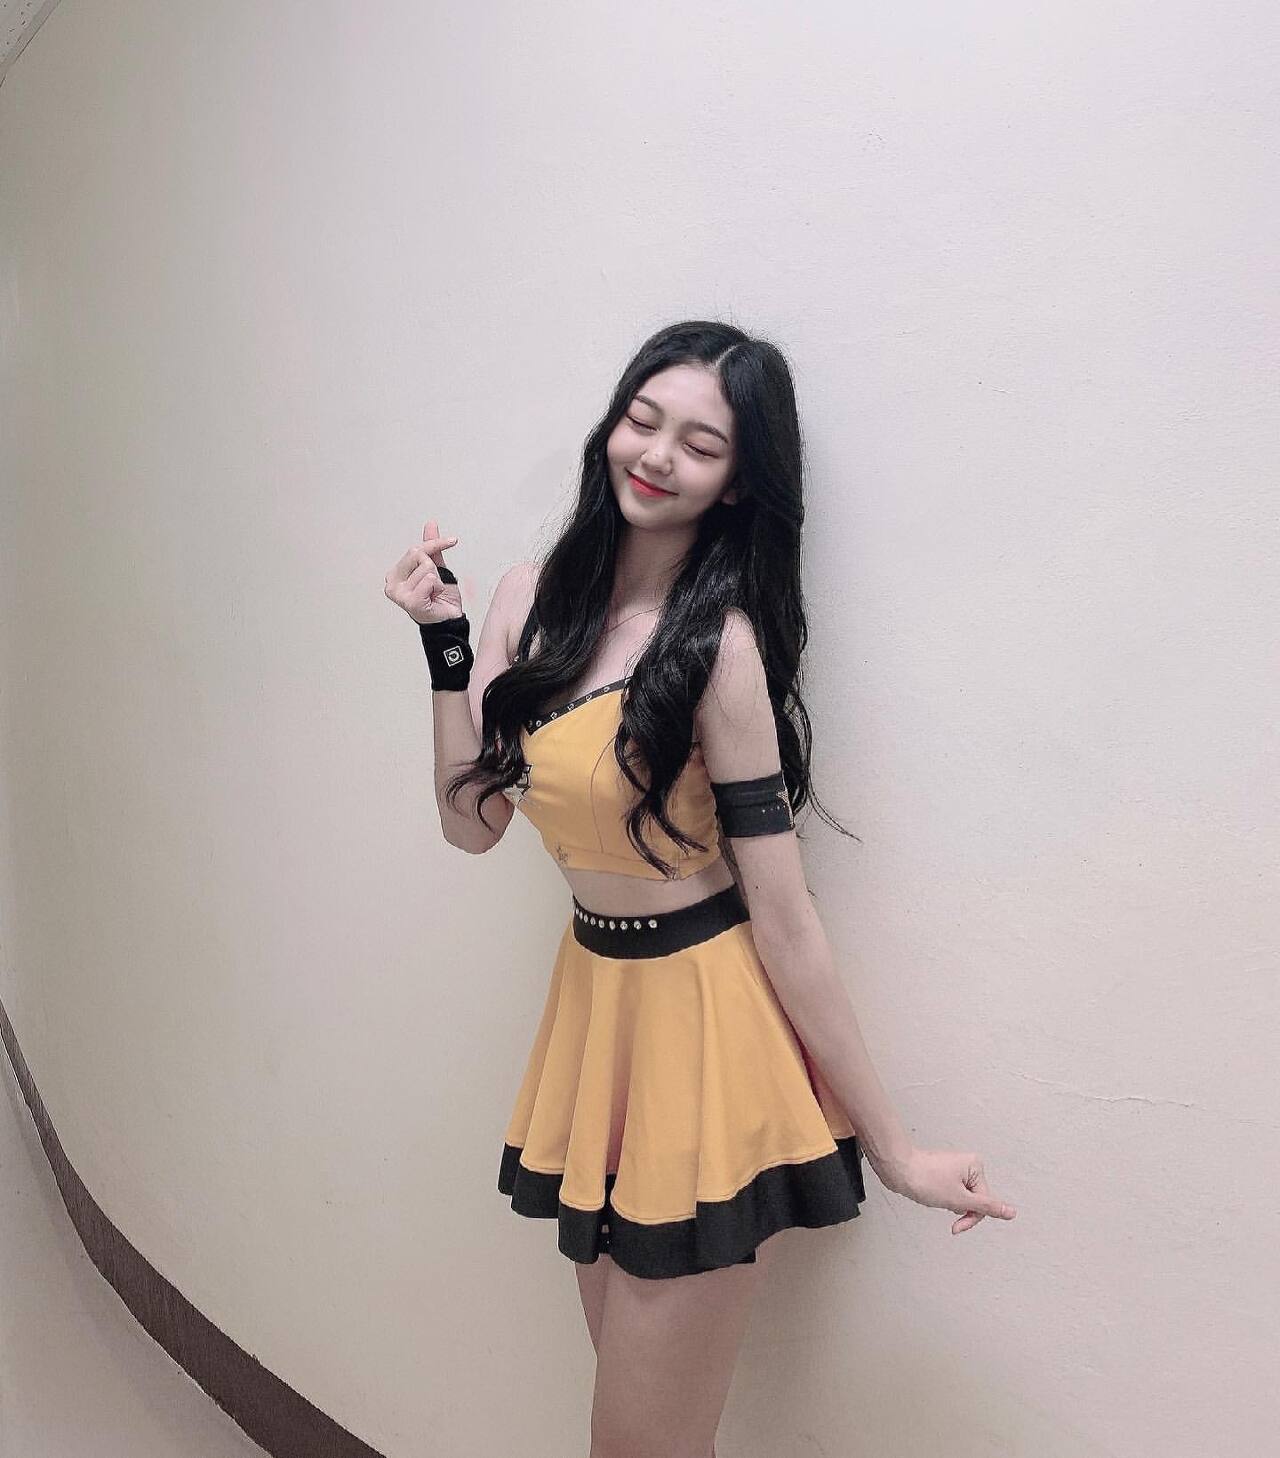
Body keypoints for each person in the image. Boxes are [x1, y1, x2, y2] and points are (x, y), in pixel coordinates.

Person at [385, 320, 1016, 1458]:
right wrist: (444, 646)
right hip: (596, 1015)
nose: (658, 454)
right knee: (651, 1434)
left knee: (639, 1446)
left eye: (701, 444)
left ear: (737, 485)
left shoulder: (717, 650)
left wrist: (893, 1149)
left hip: (704, 1033)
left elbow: (785, 917)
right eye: (644, 419)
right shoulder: (528, 600)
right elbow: (468, 826)